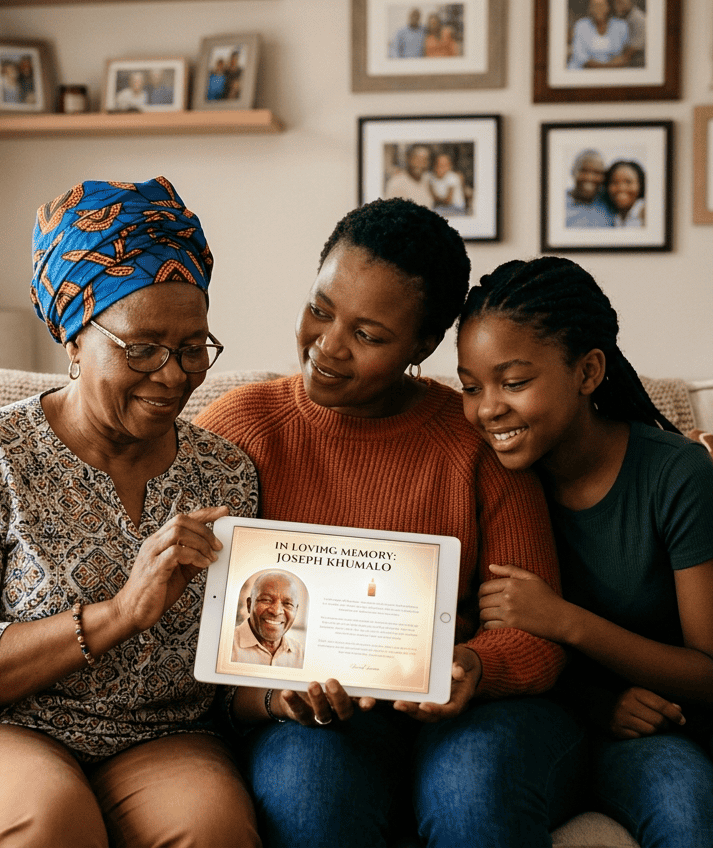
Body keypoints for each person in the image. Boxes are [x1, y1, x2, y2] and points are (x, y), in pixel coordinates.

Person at [0, 177, 262, 848]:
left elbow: (235, 670)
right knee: (49, 818)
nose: (173, 376)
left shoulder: (223, 471)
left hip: (158, 737)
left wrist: (291, 685)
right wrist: (119, 615)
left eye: (193, 346)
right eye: (142, 348)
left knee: (213, 829)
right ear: (75, 340)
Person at [195, 198, 582, 848]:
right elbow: (186, 632)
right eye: (321, 308)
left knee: (471, 792)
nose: (328, 345)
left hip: (466, 716)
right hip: (314, 719)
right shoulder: (239, 429)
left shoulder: (474, 441)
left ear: (423, 346)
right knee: (308, 792)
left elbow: (536, 635)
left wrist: (471, 668)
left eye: (369, 335)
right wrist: (270, 698)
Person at [458, 256, 713, 848]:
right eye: (470, 386)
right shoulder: (494, 482)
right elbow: (511, 653)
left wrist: (565, 620)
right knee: (688, 818)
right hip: (620, 719)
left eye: (513, 382)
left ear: (588, 371)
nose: (487, 408)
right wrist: (599, 707)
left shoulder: (674, 471)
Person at [231, 570, 305, 668]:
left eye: (288, 604)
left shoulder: (301, 654)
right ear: (249, 605)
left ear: (296, 610)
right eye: (266, 600)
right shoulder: (225, 646)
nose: (276, 611)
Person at [568, 0, 631, 69]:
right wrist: (607, 66)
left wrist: (610, 66)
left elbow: (623, 56)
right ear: (590, 9)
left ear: (608, 7)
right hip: (583, 71)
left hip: (612, 72)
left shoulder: (621, 26)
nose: (598, 9)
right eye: (594, 6)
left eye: (601, 6)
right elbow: (580, 57)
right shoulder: (581, 25)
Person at [566, 149, 615, 228]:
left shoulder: (610, 202)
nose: (589, 178)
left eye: (597, 172)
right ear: (573, 172)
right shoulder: (557, 203)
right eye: (583, 170)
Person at [605, 159, 645, 227]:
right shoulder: (615, 217)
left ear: (640, 185)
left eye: (628, 182)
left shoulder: (645, 213)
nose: (621, 188)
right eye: (614, 182)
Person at [611, 0, 646, 66]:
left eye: (620, 2)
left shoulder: (638, 19)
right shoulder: (627, 17)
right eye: (616, 3)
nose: (616, 6)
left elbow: (629, 53)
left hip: (638, 62)